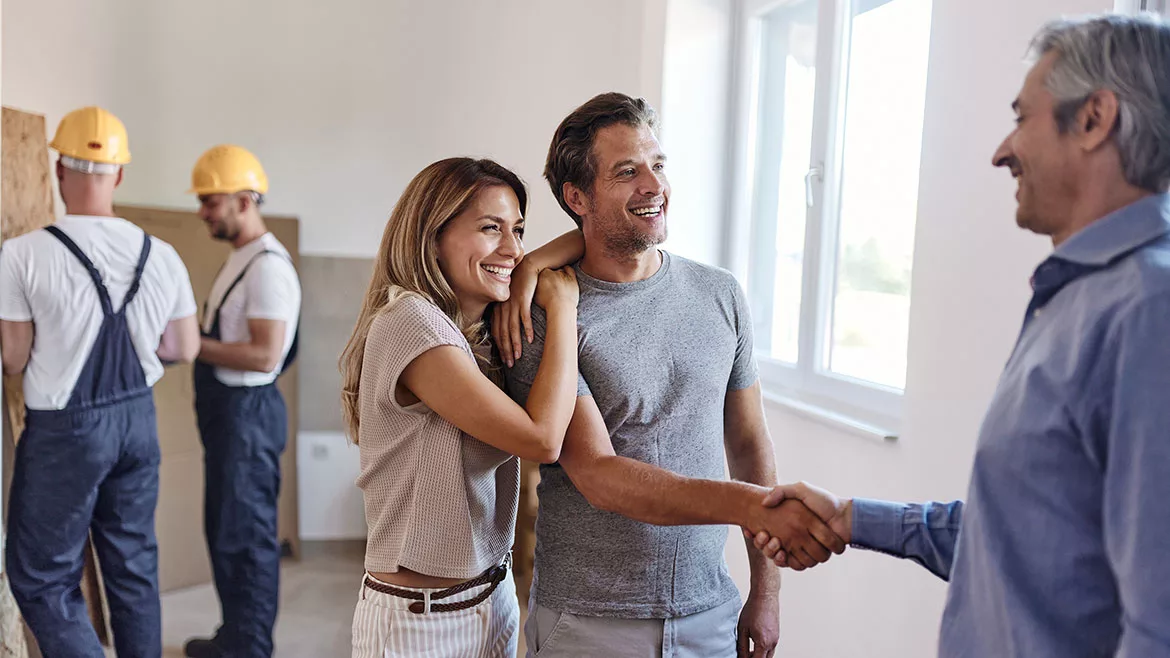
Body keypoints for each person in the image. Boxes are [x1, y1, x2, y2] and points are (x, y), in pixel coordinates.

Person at [751, 13, 1170, 658]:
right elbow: (1025, 534)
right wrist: (851, 518)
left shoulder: (1148, 311)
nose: (1002, 150)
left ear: (1093, 119)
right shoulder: (1076, 297)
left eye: (1022, 116)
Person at [497, 92, 845, 658]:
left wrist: (767, 589)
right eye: (627, 171)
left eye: (658, 165)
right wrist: (750, 506)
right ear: (577, 197)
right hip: (589, 623)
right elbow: (599, 475)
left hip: (710, 613)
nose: (653, 185)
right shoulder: (545, 312)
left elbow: (749, 442)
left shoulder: (720, 294)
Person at [338, 157, 580, 657]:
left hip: (492, 599)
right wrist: (564, 309)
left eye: (518, 230)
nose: (510, 249)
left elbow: (591, 235)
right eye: (490, 229)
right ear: (433, 235)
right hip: (420, 622)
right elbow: (542, 439)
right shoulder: (410, 321)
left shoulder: (478, 325)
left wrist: (532, 264)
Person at [0, 106, 200, 657]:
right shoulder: (163, 255)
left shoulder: (19, 255)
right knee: (133, 571)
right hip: (138, 424)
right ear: (118, 174)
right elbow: (183, 347)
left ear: (59, 171)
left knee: (43, 577)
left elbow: (12, 359)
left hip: (65, 432)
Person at [183, 145, 301, 658]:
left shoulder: (267, 268)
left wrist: (190, 344)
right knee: (226, 535)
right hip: (233, 421)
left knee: (248, 543)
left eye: (212, 201)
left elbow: (264, 354)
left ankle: (249, 648)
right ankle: (234, 636)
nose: (204, 211)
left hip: (246, 420)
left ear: (245, 199)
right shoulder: (243, 259)